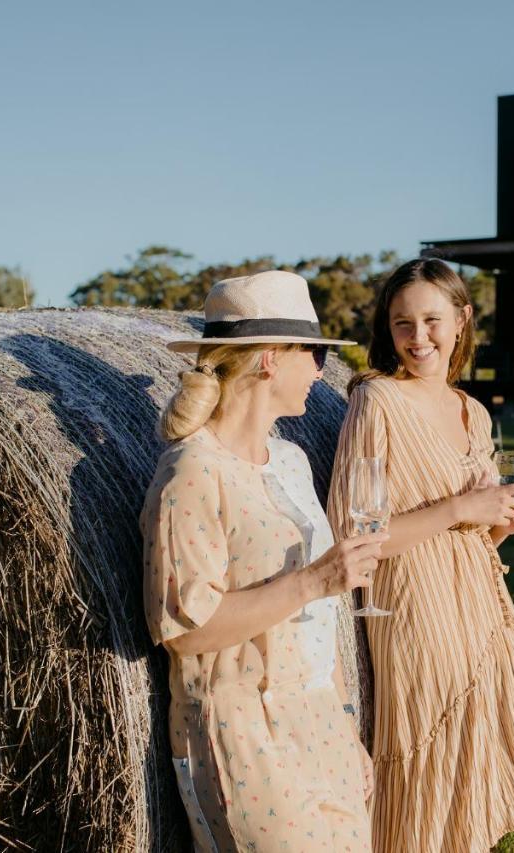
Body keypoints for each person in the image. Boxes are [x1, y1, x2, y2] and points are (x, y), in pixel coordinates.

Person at [328, 258, 514, 852]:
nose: (417, 337)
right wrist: (463, 509)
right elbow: (353, 538)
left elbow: (474, 533)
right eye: (402, 323)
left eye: (431, 320)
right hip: (419, 618)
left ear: (461, 320)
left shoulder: (473, 412)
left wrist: (503, 525)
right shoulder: (377, 402)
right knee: (449, 818)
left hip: (489, 613)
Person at [142, 270, 385, 852]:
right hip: (240, 732)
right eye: (316, 352)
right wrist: (317, 579)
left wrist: (345, 728)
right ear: (271, 359)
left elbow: (318, 626)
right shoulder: (191, 473)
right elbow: (184, 631)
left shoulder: (291, 460)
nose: (322, 370)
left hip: (320, 718)